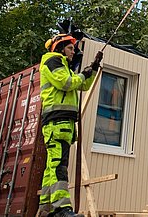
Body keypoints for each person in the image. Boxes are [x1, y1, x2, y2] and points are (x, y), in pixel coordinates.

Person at [38, 34, 103, 217]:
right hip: (57, 123)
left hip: (60, 123)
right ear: (60, 48)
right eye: (70, 48)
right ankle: (62, 208)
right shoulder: (53, 61)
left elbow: (81, 86)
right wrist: (83, 74)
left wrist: (93, 68)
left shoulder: (63, 66)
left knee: (52, 166)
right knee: (59, 165)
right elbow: (67, 84)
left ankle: (46, 208)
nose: (73, 52)